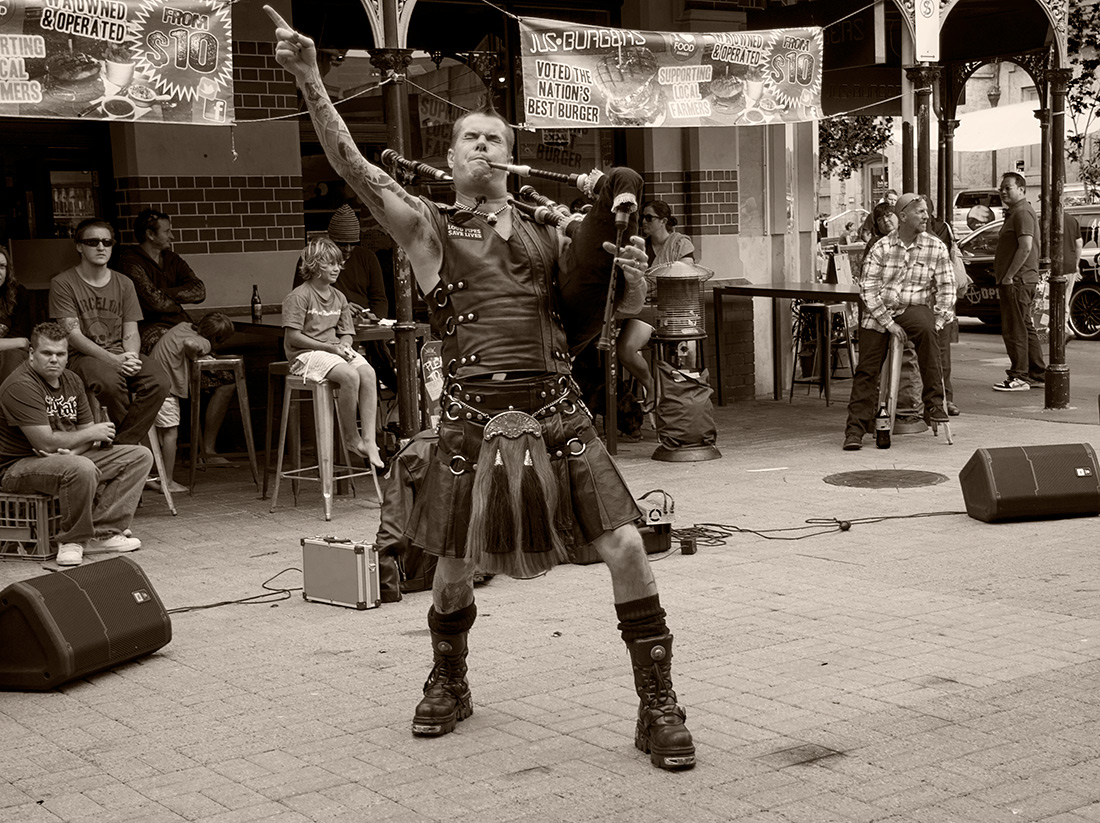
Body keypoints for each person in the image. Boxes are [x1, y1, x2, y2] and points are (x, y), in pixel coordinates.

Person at [269, 7, 695, 771]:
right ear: (452, 154)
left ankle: (656, 703)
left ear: (511, 156)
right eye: (472, 138)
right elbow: (353, 170)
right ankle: (449, 678)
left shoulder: (546, 227)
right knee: (455, 566)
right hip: (469, 420)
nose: (486, 147)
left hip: (559, 412)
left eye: (497, 138)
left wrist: (614, 255)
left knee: (628, 545)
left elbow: (585, 294)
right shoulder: (427, 227)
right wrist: (308, 79)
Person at [0, 322, 153, 567]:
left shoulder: (71, 379)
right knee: (80, 467)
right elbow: (45, 442)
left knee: (139, 456)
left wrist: (72, 450)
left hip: (64, 457)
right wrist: (83, 441)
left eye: (60, 354)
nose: (54, 360)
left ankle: (103, 533)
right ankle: (72, 540)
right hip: (17, 468)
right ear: (31, 354)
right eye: (46, 353)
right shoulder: (20, 385)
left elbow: (88, 437)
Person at [120, 208, 236, 463]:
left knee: (225, 379)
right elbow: (152, 304)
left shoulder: (172, 259)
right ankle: (163, 454)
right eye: (167, 231)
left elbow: (199, 290)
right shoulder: (130, 260)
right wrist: (162, 297)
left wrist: (162, 293)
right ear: (150, 234)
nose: (172, 236)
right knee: (169, 377)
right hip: (148, 330)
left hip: (182, 325)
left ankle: (207, 450)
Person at [842, 193, 955, 451]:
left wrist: (939, 320)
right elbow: (868, 289)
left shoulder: (935, 246)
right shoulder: (881, 247)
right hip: (879, 311)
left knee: (927, 330)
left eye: (927, 211)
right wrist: (889, 323)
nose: (926, 216)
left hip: (913, 306)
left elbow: (947, 287)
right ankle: (855, 430)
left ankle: (935, 404)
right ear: (903, 216)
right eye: (920, 212)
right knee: (867, 370)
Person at [49, 218, 170, 445]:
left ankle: (124, 445)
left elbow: (131, 332)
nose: (101, 247)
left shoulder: (124, 283)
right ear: (79, 247)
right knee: (109, 383)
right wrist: (113, 361)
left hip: (120, 353)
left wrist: (131, 356)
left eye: (107, 242)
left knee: (159, 380)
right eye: (93, 242)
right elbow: (72, 336)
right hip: (81, 357)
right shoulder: (63, 283)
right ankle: (133, 452)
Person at [284, 236, 382, 466]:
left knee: (368, 373)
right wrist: (330, 347)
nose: (338, 268)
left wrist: (345, 345)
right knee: (349, 376)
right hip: (304, 355)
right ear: (315, 266)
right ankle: (351, 437)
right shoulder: (299, 296)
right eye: (331, 264)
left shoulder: (339, 297)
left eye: (338, 263)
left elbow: (346, 331)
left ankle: (369, 439)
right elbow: (293, 337)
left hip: (332, 352)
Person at [293, 204, 397, 391]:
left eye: (352, 244)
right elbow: (305, 297)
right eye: (342, 244)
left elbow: (380, 299)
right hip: (327, 329)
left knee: (373, 362)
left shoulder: (367, 257)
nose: (348, 249)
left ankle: (396, 391)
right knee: (352, 371)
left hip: (360, 327)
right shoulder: (311, 271)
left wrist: (373, 317)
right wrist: (341, 309)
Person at [617, 199, 695, 414]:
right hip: (644, 308)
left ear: (663, 221)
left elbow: (684, 275)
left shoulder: (681, 243)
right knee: (625, 349)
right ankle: (650, 386)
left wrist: (651, 279)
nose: (644, 221)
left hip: (673, 310)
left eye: (649, 217)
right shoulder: (640, 246)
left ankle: (683, 407)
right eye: (642, 217)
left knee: (688, 352)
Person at [148, 312, 236, 493]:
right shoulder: (203, 341)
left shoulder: (182, 326)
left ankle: (152, 476)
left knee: (153, 433)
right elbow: (189, 344)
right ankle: (168, 481)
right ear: (218, 338)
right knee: (170, 433)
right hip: (166, 388)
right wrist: (197, 356)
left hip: (150, 380)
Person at [992, 173, 1046, 391]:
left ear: (1022, 189)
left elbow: (1025, 246)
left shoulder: (1022, 212)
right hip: (1022, 279)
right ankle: (1037, 373)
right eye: (1001, 188)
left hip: (1018, 281)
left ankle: (1019, 375)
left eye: (1008, 188)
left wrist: (1009, 275)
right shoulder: (1017, 212)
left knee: (1015, 329)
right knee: (1025, 326)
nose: (1003, 192)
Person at [0, 246, 31, 383]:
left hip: (8, 357)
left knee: (12, 356)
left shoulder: (18, 293)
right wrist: (19, 342)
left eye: (1, 266)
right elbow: (21, 341)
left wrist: (21, 341)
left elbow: (22, 335)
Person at [1063, 209, 1083, 339]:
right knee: (1065, 298)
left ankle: (1064, 329)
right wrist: (1076, 265)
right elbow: (1079, 243)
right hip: (1069, 266)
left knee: (1051, 299)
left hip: (1052, 266)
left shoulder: (1044, 220)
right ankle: (1064, 326)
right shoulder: (1071, 220)